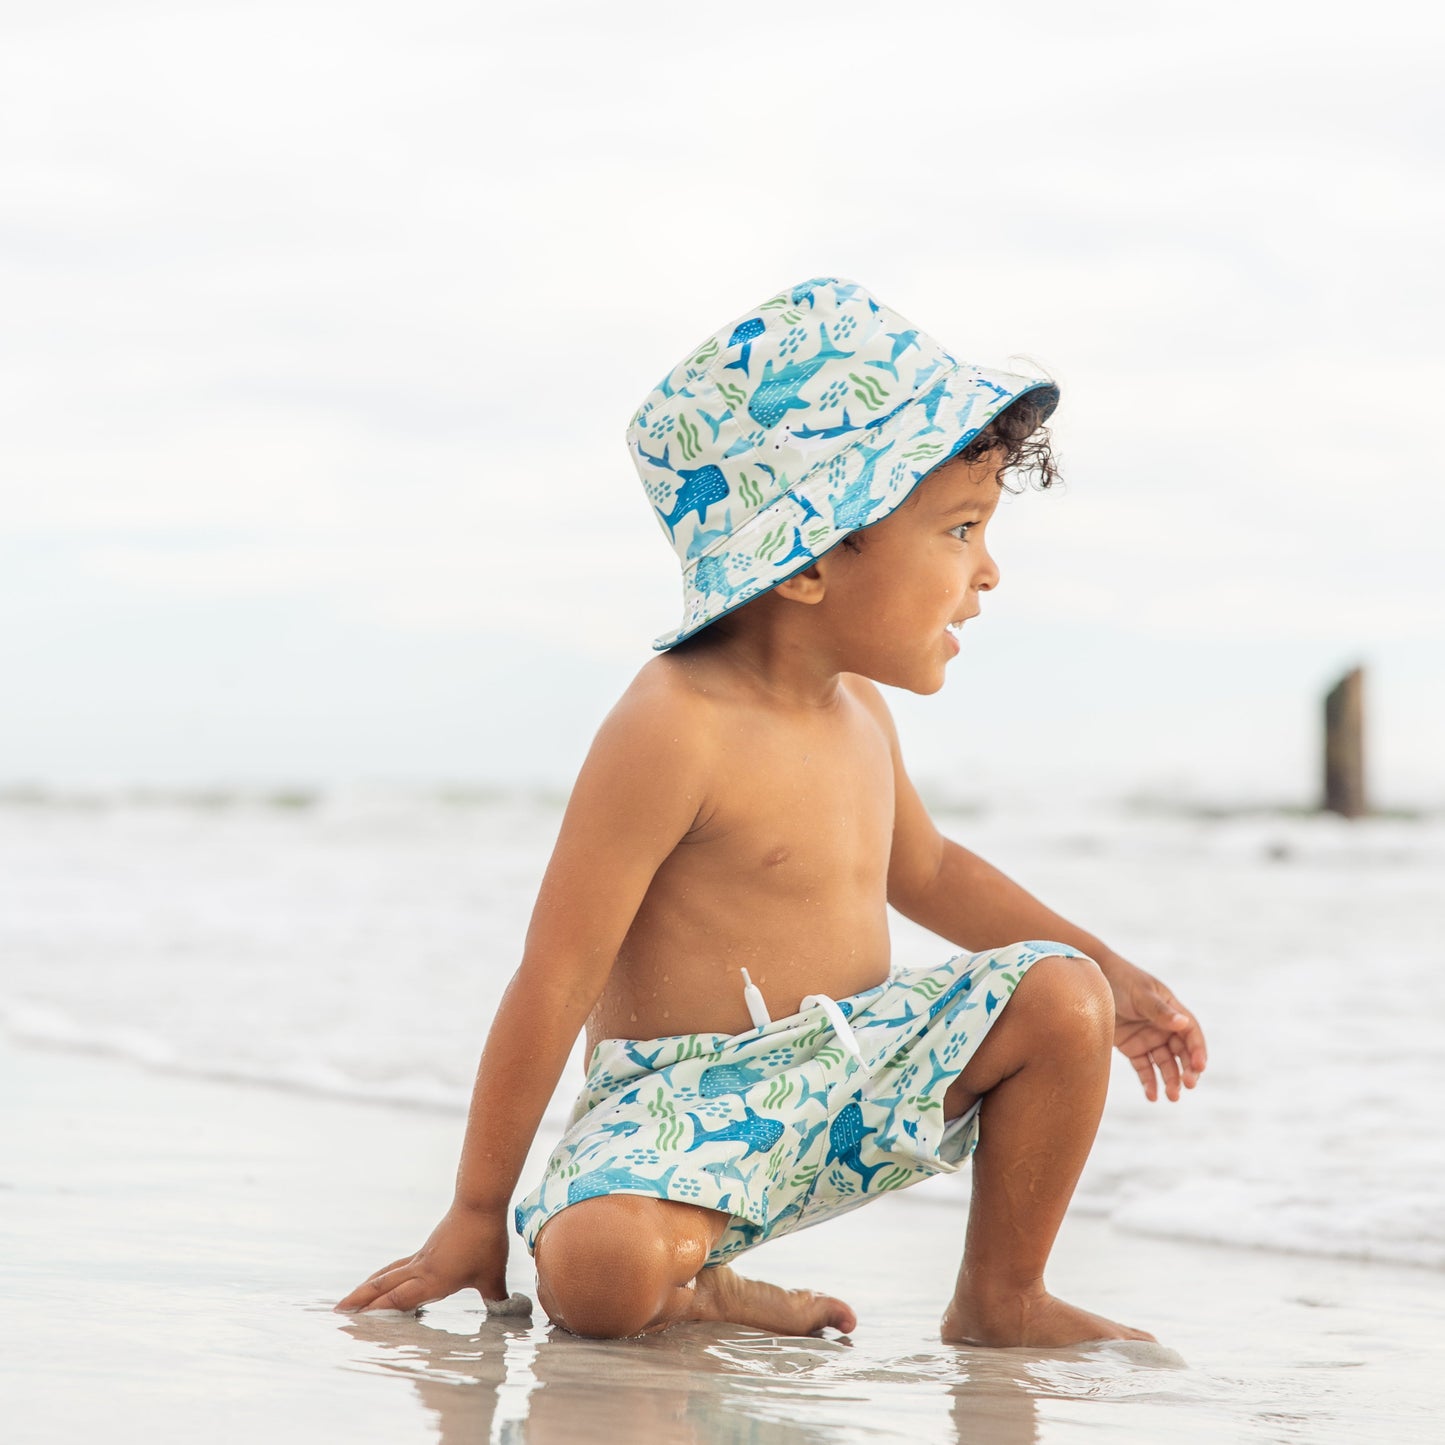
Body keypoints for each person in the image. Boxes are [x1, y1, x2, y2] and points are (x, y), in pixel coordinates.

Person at [337, 277, 1207, 1346]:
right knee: (595, 1279)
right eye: (959, 528)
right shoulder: (672, 724)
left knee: (1058, 995)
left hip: (856, 1072)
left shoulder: (861, 713)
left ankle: (1000, 1293)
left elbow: (927, 870)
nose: (987, 570)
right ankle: (690, 1279)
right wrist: (475, 1214)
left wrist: (1109, 971)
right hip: (682, 1115)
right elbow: (555, 972)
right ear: (805, 562)